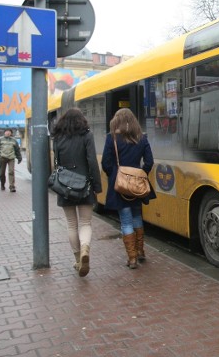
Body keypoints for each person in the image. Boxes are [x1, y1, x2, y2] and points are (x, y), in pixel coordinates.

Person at [101, 108, 156, 269]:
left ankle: (132, 259)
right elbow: (149, 162)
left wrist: (115, 176)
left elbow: (106, 163)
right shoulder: (142, 138)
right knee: (137, 216)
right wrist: (140, 175)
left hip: (120, 186)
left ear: (116, 121)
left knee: (125, 220)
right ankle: (140, 251)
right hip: (137, 186)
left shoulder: (112, 139)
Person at [52, 108, 102, 277]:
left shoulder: (57, 137)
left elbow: (56, 162)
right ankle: (85, 250)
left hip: (65, 186)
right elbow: (92, 161)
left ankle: (78, 259)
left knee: (71, 224)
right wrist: (97, 186)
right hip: (84, 185)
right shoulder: (86, 135)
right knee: (85, 223)